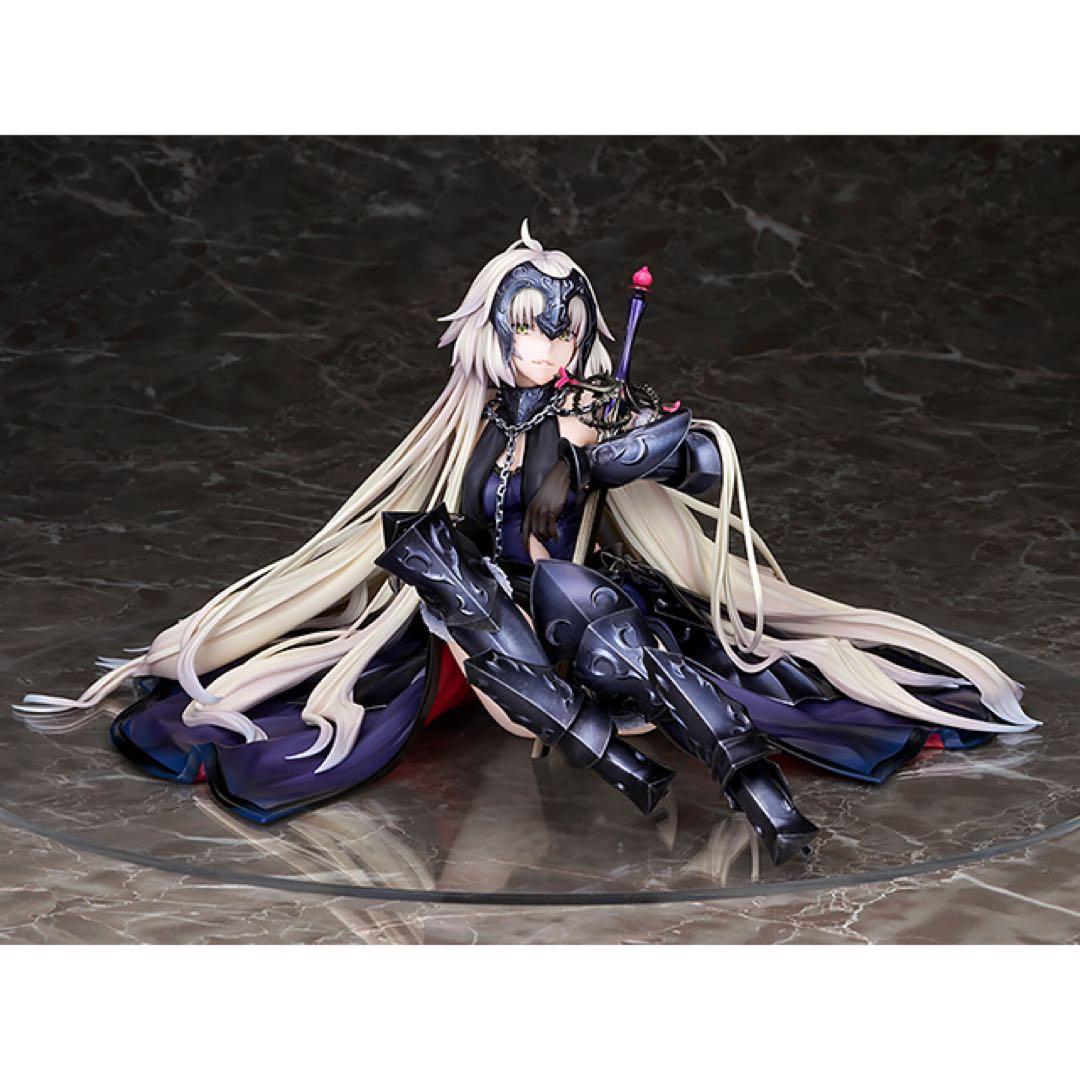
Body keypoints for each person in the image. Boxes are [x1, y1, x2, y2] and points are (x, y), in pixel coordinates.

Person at [16, 221, 1038, 864]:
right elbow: (426, 527)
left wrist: (649, 447)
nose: (548, 347)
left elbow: (688, 467)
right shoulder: (467, 429)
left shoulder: (583, 420)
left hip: (569, 608)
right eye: (529, 329)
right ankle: (613, 762)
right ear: (492, 334)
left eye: (564, 329)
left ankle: (760, 795)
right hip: (468, 622)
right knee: (434, 557)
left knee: (594, 615)